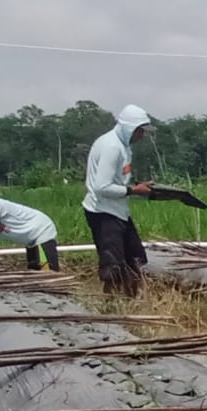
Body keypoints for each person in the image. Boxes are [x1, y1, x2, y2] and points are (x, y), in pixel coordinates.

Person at [83, 104, 156, 296]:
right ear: (129, 128)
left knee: (135, 257)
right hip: (103, 213)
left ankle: (132, 298)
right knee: (112, 265)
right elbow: (102, 187)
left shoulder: (123, 145)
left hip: (117, 210)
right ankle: (112, 307)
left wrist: (139, 188)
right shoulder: (112, 147)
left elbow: (116, 180)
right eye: (140, 131)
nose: (142, 136)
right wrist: (133, 190)